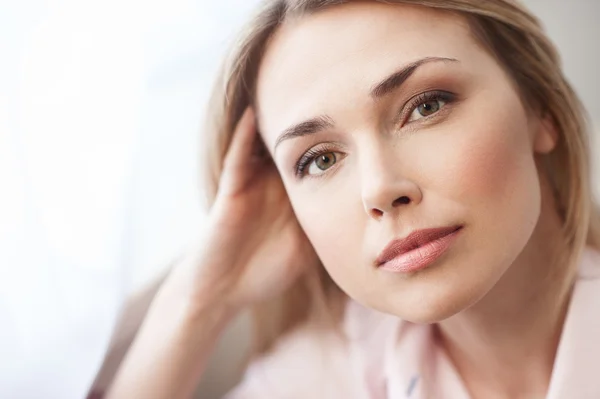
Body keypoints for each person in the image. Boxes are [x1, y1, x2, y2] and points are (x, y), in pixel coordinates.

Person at [105, 0, 600, 397]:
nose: (379, 188)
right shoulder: (333, 370)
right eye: (320, 160)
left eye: (425, 107)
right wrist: (199, 300)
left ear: (540, 110)